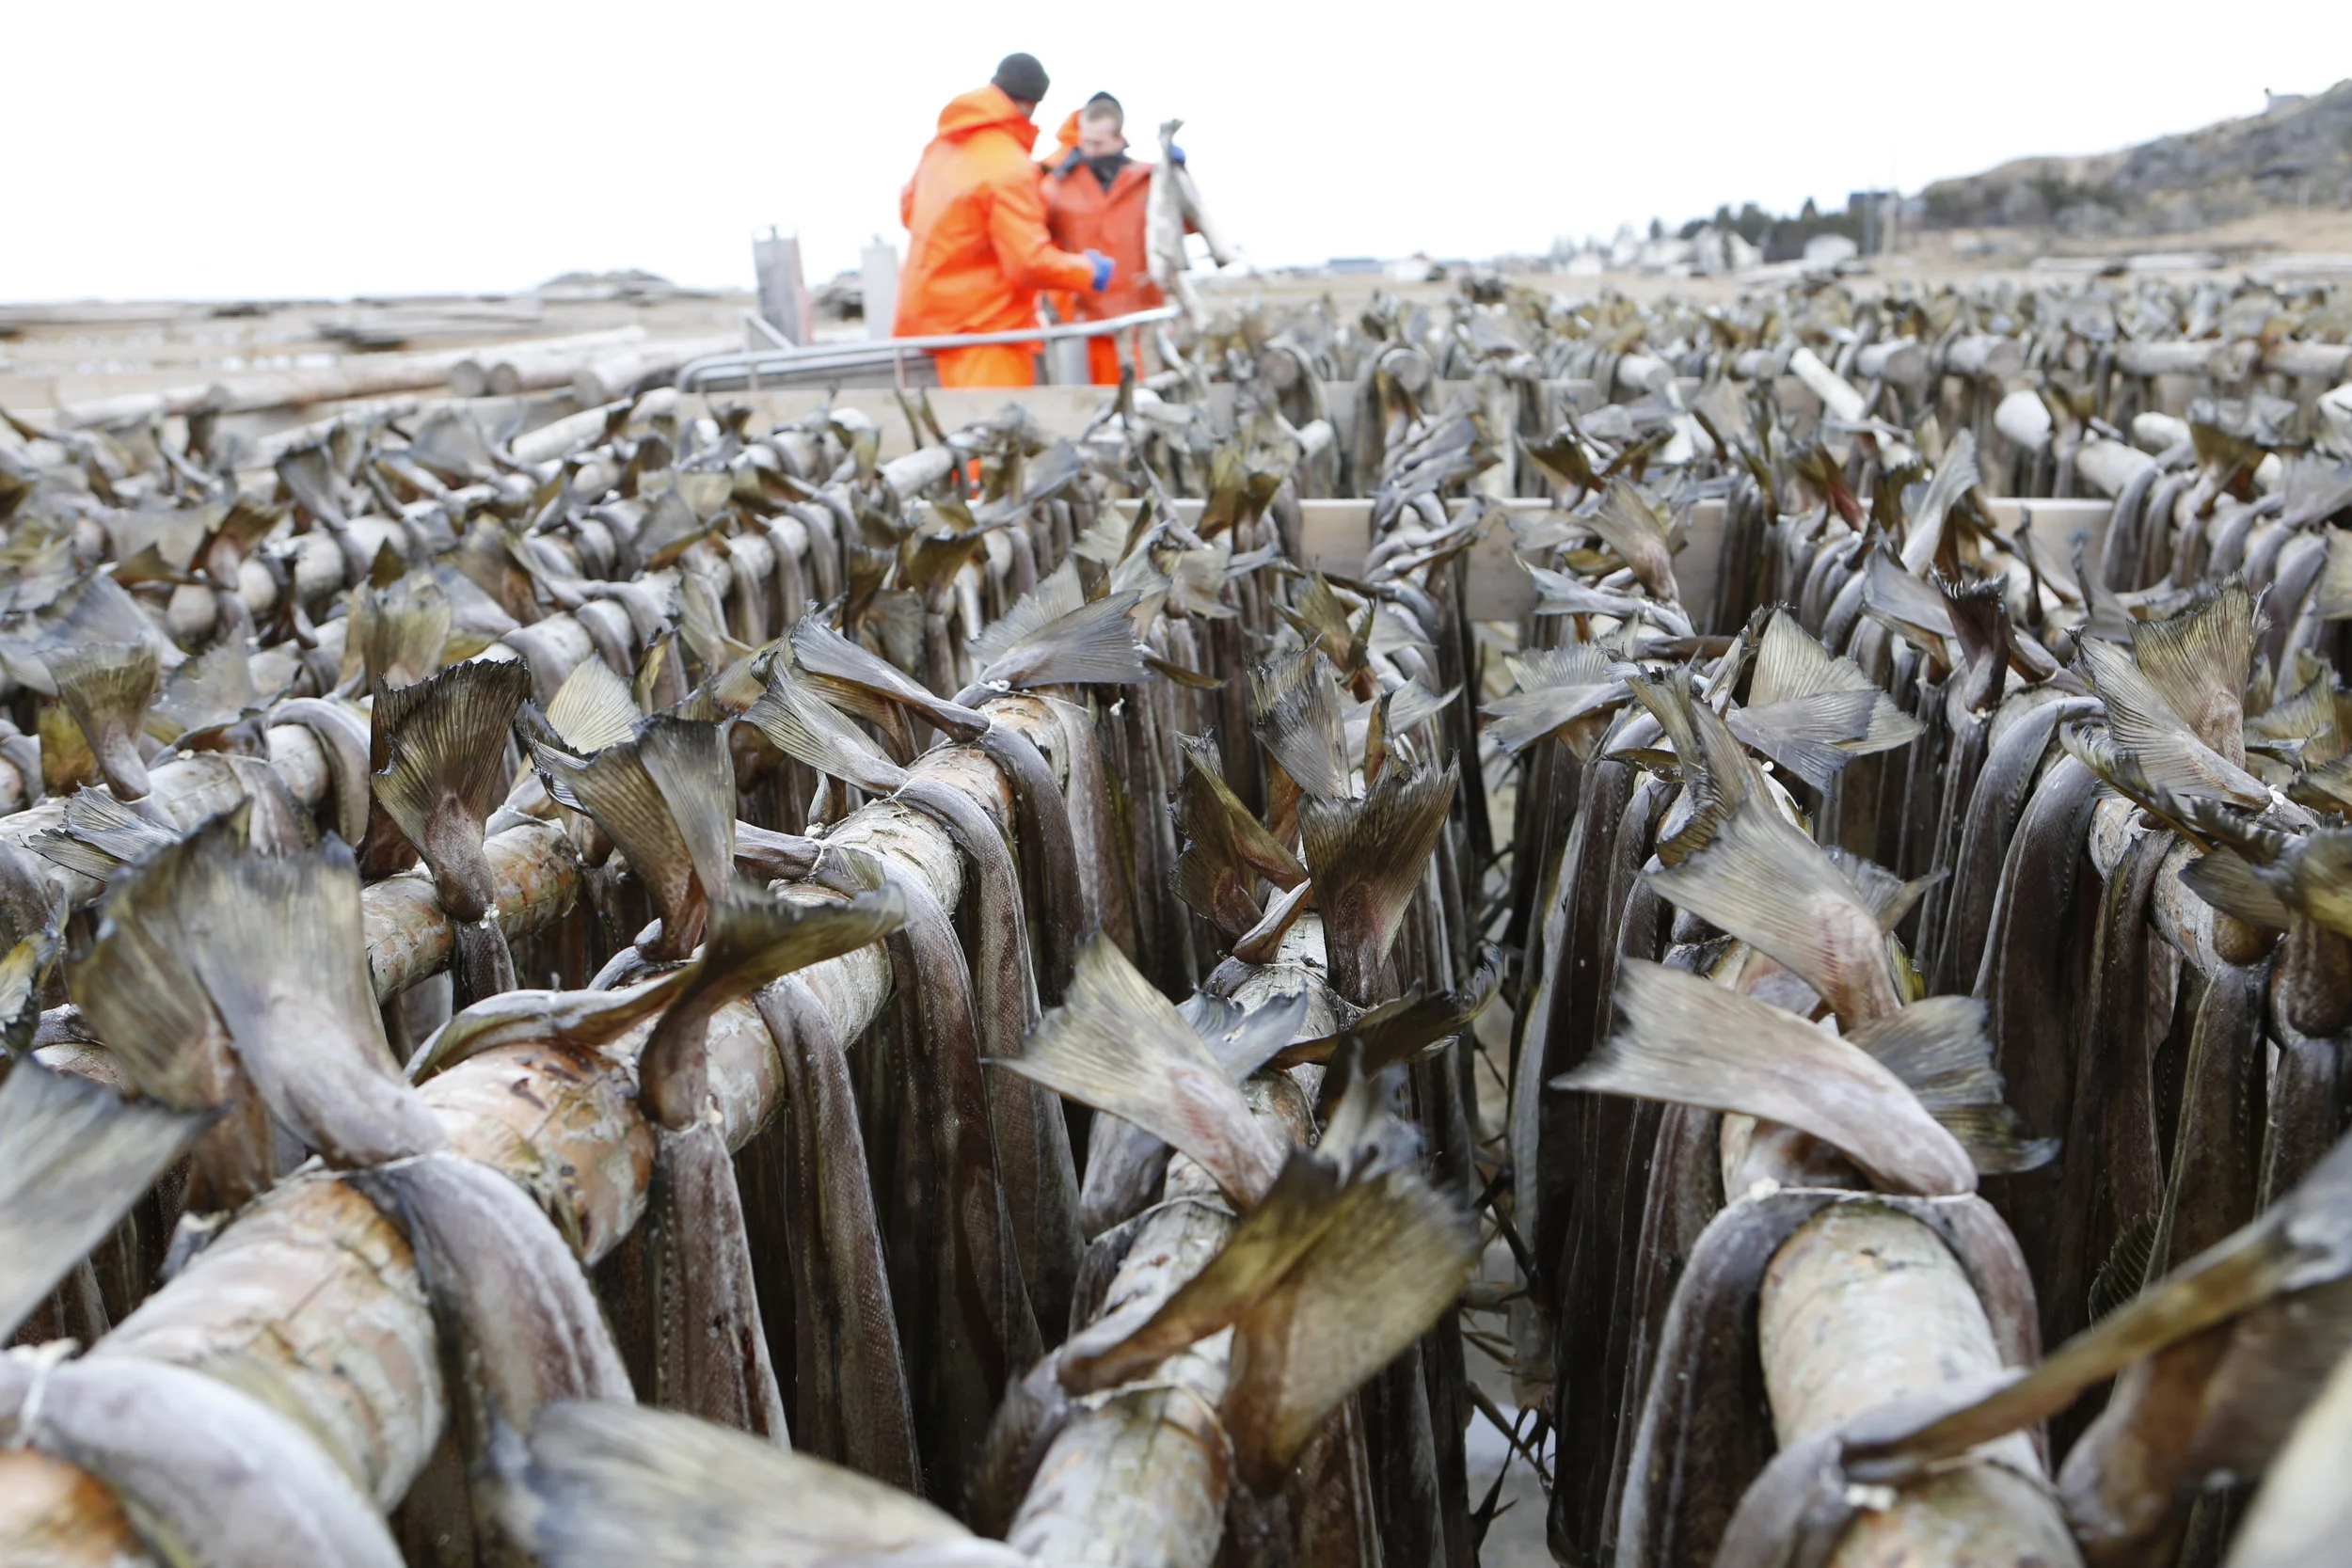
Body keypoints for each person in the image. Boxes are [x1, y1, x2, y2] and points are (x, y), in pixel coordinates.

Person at [894, 53, 1115, 388]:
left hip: (930, 328)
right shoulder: (1010, 167)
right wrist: (1087, 269)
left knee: (952, 435)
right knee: (997, 438)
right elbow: (1028, 262)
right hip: (987, 335)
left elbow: (910, 213)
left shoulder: (940, 148)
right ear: (1032, 104)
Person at [1042, 93, 1171, 386]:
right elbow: (1034, 241)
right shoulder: (1059, 186)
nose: (1089, 151)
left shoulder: (1149, 182)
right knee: (1093, 409)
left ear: (1118, 138)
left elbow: (1184, 226)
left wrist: (1177, 178)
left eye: (1097, 144)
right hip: (1087, 328)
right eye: (1084, 142)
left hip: (1143, 325)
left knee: (1145, 404)